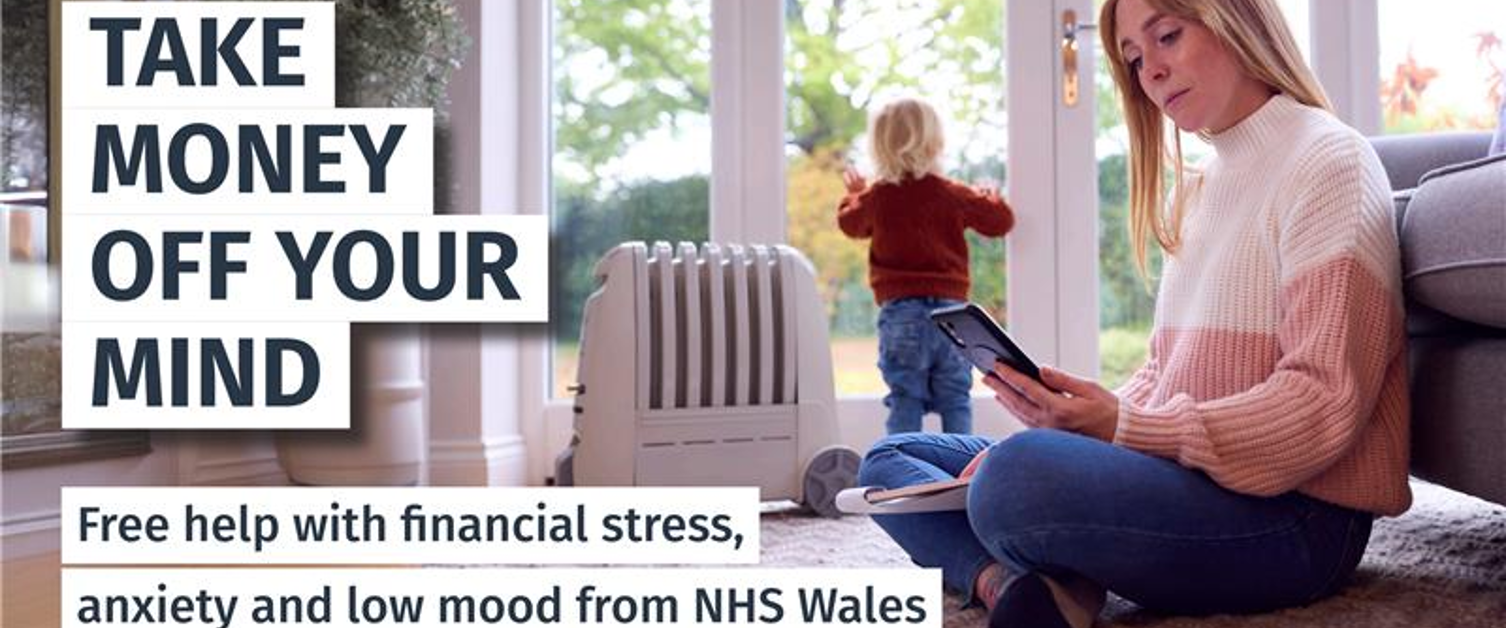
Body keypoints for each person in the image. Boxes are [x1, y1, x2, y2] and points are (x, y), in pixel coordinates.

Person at [856, 1, 1410, 627]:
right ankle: (1008, 585)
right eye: (1134, 59)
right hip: (1192, 479)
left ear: (1237, 18)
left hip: (1296, 518)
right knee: (890, 464)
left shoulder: (1329, 162)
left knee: (1015, 480)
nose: (1151, 72)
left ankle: (1046, 565)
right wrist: (1075, 425)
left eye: (1167, 36)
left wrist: (1118, 429)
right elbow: (1162, 375)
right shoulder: (1198, 187)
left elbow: (1323, 403)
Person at [837, 96, 1016, 435]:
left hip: (901, 315)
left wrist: (854, 194)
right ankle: (960, 475)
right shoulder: (953, 193)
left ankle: (904, 475)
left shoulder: (877, 196)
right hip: (952, 317)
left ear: (880, 148)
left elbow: (850, 224)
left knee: (905, 398)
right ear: (936, 143)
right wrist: (989, 196)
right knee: (955, 398)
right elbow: (1000, 222)